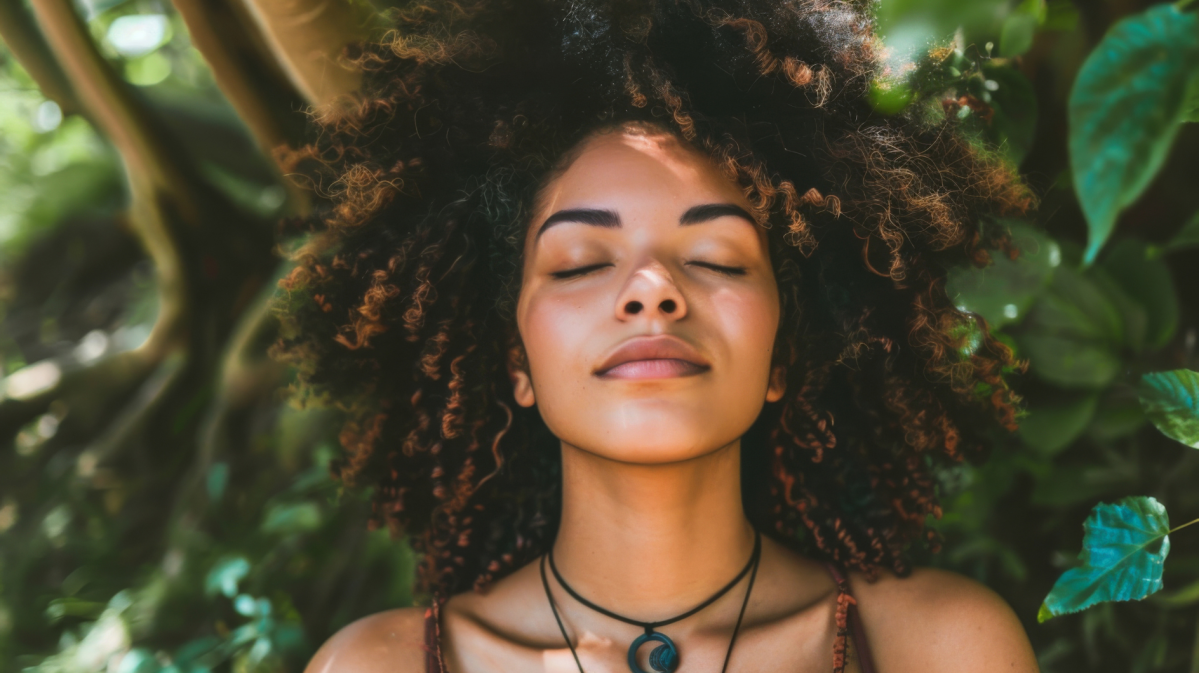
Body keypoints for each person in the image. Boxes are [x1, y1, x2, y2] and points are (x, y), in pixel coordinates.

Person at [274, 1, 1042, 671]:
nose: (652, 292)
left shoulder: (941, 649)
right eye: (579, 264)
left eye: (716, 258)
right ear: (515, 359)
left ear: (782, 353)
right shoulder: (375, 665)